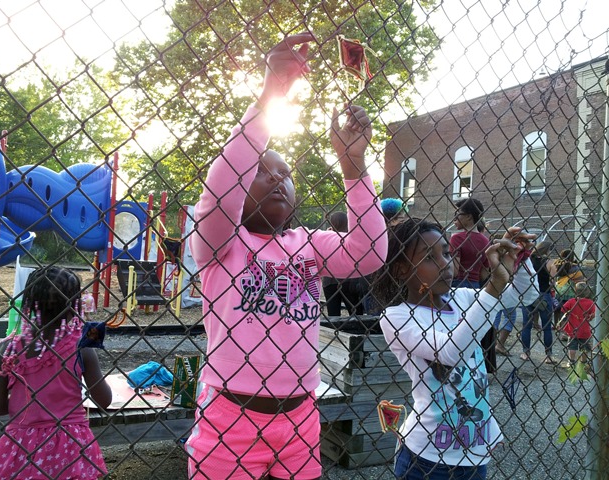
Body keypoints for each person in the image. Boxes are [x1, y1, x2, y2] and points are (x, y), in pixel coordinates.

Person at [186, 33, 388, 479]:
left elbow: (369, 253)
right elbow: (219, 193)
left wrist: (354, 169)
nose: (277, 178)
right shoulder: (222, 242)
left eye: (286, 174)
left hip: (300, 418)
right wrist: (269, 97)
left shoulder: (308, 244)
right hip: (229, 421)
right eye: (262, 169)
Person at [377, 219, 538, 479]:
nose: (445, 264)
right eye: (430, 257)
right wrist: (494, 286)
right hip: (426, 460)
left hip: (475, 456)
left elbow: (524, 295)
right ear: (401, 270)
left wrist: (518, 259)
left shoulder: (462, 298)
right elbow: (451, 351)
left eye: (447, 253)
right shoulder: (397, 317)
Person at [0, 266, 112, 480]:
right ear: (74, 305)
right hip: (71, 446)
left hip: (22, 446)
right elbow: (104, 400)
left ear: (29, 303)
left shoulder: (11, 349)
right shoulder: (82, 348)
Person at [450, 197, 497, 372]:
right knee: (472, 329)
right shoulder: (486, 241)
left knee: (455, 330)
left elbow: (453, 271)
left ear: (469, 216)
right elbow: (485, 272)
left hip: (457, 286)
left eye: (459, 214)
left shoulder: (457, 238)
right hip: (476, 287)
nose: (456, 218)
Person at [322, 211, 366, 316]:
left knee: (333, 314)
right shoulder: (351, 237)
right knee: (356, 312)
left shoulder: (325, 237)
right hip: (348, 280)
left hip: (329, 281)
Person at [519, 241, 556, 363]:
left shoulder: (528, 260)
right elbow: (553, 282)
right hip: (544, 295)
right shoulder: (550, 263)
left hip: (528, 294)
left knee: (527, 325)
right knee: (546, 326)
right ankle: (548, 355)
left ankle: (525, 352)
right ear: (548, 250)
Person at [560, 282, 596, 369]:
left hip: (573, 329)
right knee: (585, 348)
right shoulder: (590, 302)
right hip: (585, 330)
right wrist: (590, 317)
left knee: (572, 347)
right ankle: (583, 362)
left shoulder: (572, 301)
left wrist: (569, 314)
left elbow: (563, 309)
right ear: (587, 292)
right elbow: (594, 313)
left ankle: (571, 361)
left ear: (575, 291)